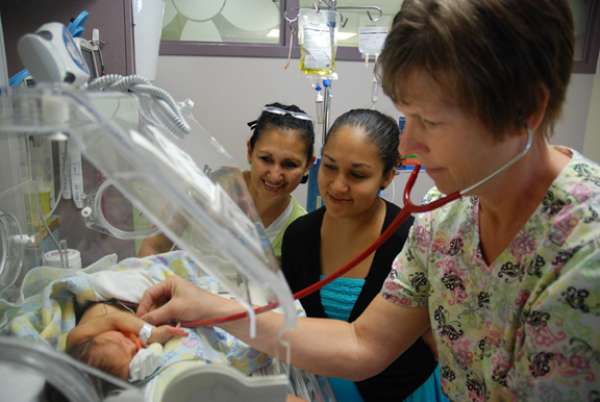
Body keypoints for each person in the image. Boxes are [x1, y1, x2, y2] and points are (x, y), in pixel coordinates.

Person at [135, 1, 600, 400]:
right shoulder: (446, 217)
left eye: (430, 122)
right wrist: (210, 307)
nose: (411, 145)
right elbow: (363, 343)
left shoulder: (583, 253)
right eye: (406, 118)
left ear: (525, 111)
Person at [281, 109, 441, 402]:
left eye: (357, 174)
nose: (338, 185)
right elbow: (292, 324)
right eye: (329, 167)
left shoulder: (412, 241)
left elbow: (440, 343)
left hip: (403, 393)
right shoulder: (299, 236)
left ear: (388, 175)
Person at [138, 102, 315, 259]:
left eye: (289, 164)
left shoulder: (300, 230)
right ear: (250, 151)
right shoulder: (208, 189)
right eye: (266, 159)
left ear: (308, 164)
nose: (275, 175)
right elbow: (153, 246)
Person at [67, 301, 186, 380]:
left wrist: (151, 333)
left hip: (111, 303)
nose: (133, 346)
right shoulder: (118, 371)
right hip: (131, 314)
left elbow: (115, 319)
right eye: (132, 354)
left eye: (120, 344)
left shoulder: (78, 337)